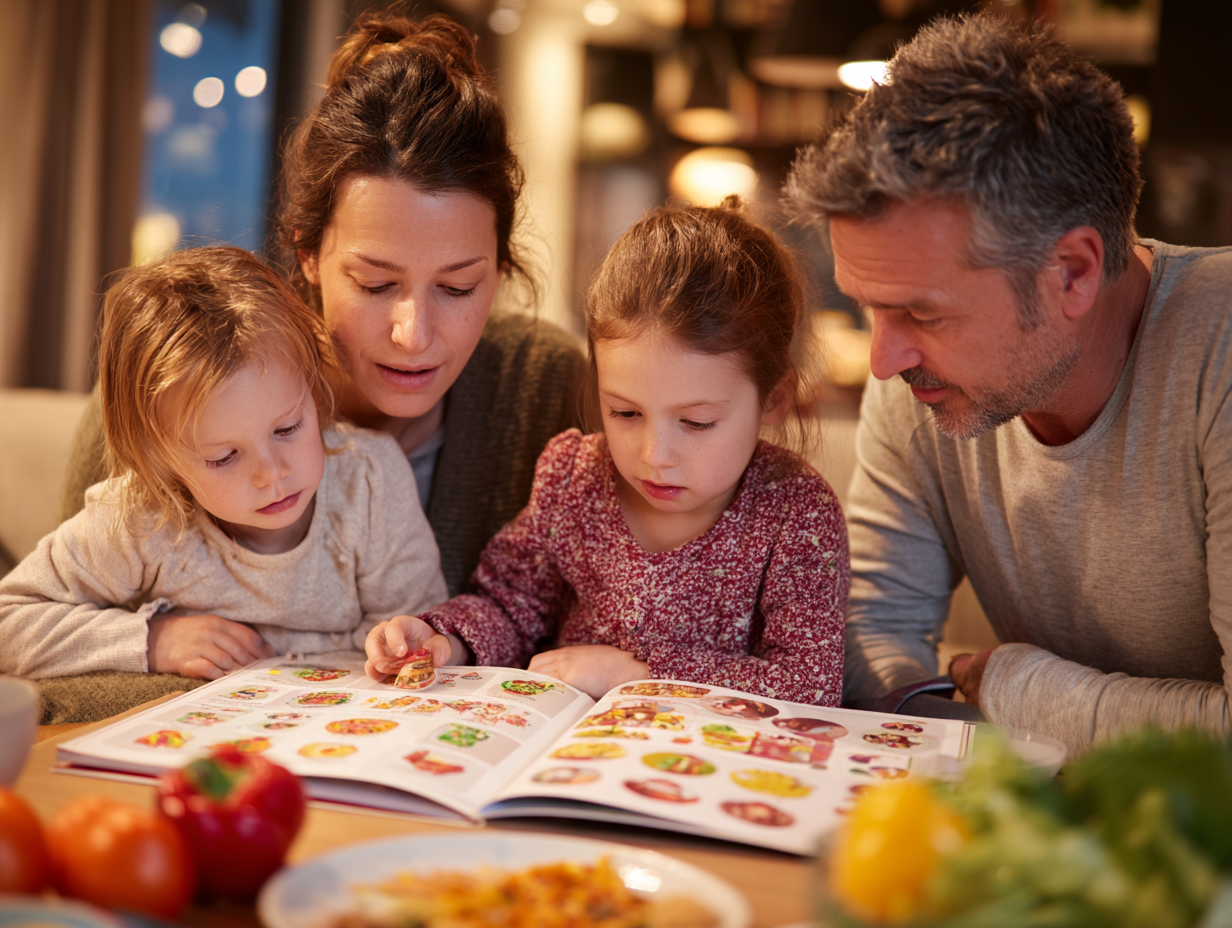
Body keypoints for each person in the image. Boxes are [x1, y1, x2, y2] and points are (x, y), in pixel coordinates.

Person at [51, 12, 583, 721]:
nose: (414, 335)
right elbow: (58, 679)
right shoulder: (172, 390)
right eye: (374, 283)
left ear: (502, 268)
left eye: (458, 287)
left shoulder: (542, 386)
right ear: (307, 253)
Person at [784, 13, 1232, 754]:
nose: (883, 360)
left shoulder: (1219, 349)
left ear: (1072, 273)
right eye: (869, 308)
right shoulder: (922, 377)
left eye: (923, 313)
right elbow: (869, 634)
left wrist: (1022, 691)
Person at [365, 199, 850, 704]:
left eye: (695, 422)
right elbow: (511, 608)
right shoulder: (573, 478)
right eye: (625, 413)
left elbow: (809, 684)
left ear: (774, 398)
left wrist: (639, 674)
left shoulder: (796, 513)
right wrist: (445, 641)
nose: (655, 455)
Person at [0, 247, 447, 680]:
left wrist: (398, 644)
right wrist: (155, 641)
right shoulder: (142, 516)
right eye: (224, 457)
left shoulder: (370, 482)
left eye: (288, 428)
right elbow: (10, 623)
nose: (272, 473)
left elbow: (421, 629)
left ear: (314, 392)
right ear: (160, 463)